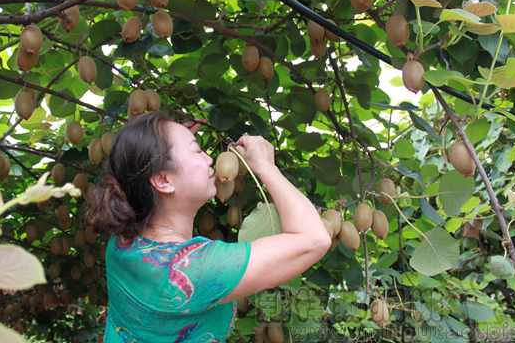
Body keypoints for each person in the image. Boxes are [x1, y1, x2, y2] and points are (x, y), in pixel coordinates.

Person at [85, 111, 331, 342]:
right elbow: (314, 238)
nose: (208, 158)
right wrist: (267, 166)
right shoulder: (197, 270)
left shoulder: (121, 244)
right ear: (162, 180)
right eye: (197, 151)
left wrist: (179, 141)